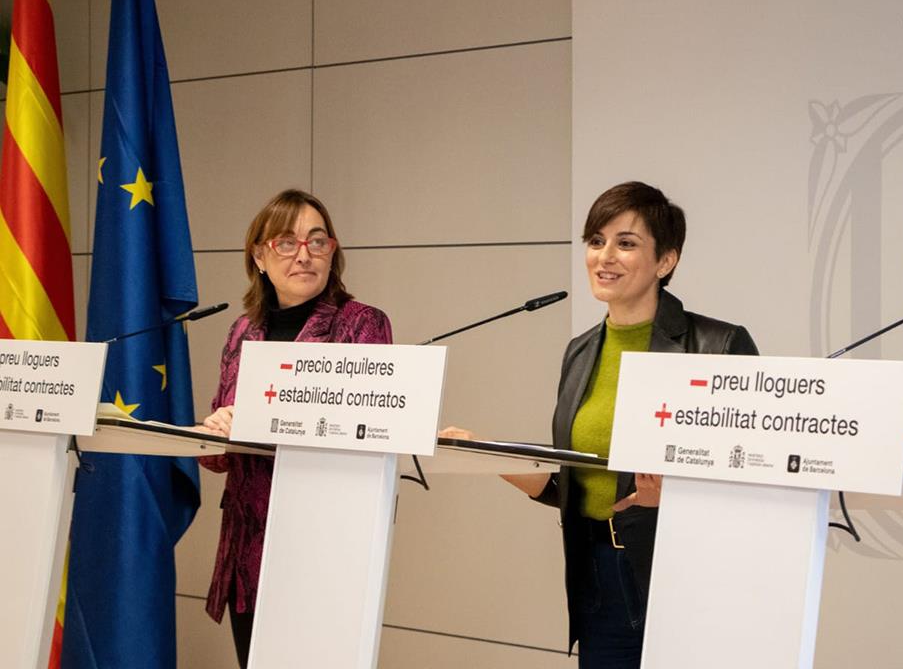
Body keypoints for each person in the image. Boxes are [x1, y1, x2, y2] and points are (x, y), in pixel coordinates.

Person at [444, 181, 757, 667]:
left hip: (680, 576)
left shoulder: (718, 345)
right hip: (596, 575)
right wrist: (484, 453)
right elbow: (570, 485)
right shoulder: (581, 350)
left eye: (626, 243)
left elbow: (751, 482)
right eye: (595, 241)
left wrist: (669, 499)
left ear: (666, 261)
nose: (604, 256)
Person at [197, 189, 392, 668]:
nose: (304, 254)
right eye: (286, 242)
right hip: (248, 548)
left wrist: (260, 422)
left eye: (317, 241)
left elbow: (363, 435)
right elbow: (217, 459)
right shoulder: (244, 330)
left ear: (333, 252)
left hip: (323, 546)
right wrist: (219, 430)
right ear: (260, 257)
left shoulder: (361, 325)